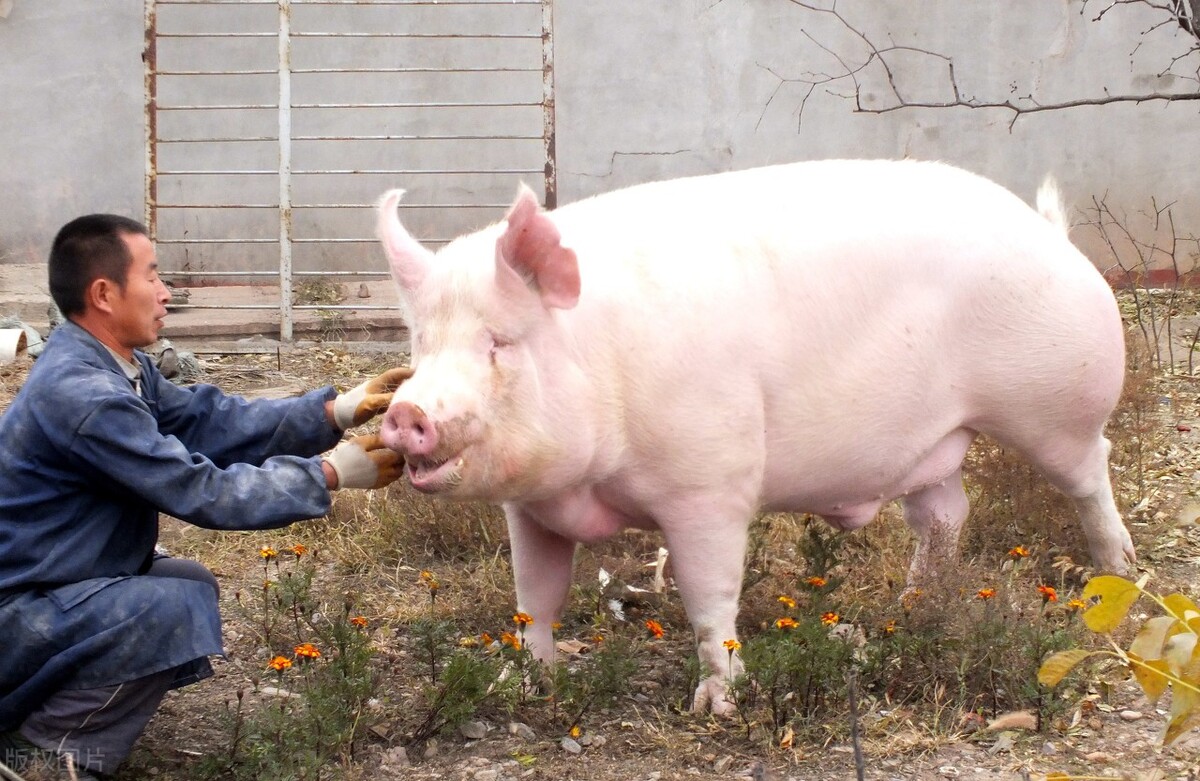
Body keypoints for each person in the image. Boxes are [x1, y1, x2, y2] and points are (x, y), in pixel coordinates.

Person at [0, 213, 410, 779]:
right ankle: (41, 758)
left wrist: (329, 410)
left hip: (51, 583)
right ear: (104, 294)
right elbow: (203, 492)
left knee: (187, 584)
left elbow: (207, 419)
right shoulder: (87, 396)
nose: (166, 293)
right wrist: (329, 473)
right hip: (16, 614)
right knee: (166, 610)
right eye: (152, 276)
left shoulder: (113, 367)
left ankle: (64, 716)